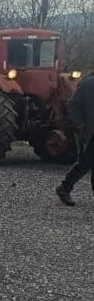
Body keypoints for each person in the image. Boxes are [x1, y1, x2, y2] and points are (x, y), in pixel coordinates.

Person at [57, 74, 94, 205]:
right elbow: (72, 105)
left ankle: (64, 188)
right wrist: (80, 125)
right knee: (87, 162)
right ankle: (64, 189)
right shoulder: (87, 85)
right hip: (89, 132)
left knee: (84, 163)